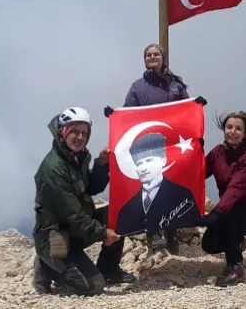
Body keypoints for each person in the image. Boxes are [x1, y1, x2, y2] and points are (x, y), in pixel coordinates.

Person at [32, 106, 136, 296]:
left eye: (84, 133)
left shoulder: (76, 158)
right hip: (55, 236)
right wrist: (103, 233)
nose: (80, 137)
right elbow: (72, 215)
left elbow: (91, 188)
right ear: (63, 132)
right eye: (75, 132)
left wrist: (101, 165)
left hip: (73, 231)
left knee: (118, 214)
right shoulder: (53, 170)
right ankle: (46, 265)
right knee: (93, 286)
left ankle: (109, 269)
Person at [123, 43, 190, 253]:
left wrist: (197, 106)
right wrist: (115, 114)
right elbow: (127, 113)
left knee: (169, 186)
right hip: (147, 144)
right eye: (148, 55)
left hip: (171, 144)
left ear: (163, 58)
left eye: (156, 54)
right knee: (150, 186)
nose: (152, 57)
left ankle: (172, 230)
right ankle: (154, 233)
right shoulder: (137, 87)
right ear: (145, 60)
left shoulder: (176, 85)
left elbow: (187, 110)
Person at [197, 111, 246, 287]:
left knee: (228, 217)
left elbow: (235, 188)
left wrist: (217, 212)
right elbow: (199, 173)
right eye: (229, 127)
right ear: (224, 129)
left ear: (244, 134)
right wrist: (194, 152)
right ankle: (237, 240)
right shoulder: (217, 152)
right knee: (209, 244)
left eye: (238, 129)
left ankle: (235, 266)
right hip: (230, 209)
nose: (233, 132)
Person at [116, 132, 200, 236]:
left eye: (149, 160)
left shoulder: (182, 196)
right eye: (139, 164)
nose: (143, 168)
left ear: (163, 160)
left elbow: (192, 230)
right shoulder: (126, 210)